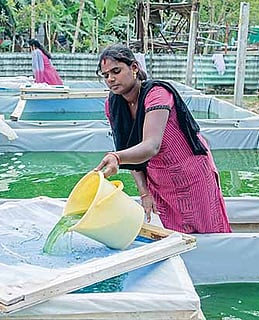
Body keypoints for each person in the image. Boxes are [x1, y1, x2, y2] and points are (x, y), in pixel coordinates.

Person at [94, 44, 231, 234]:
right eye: (105, 75)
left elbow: (151, 145)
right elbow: (129, 148)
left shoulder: (157, 94)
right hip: (159, 180)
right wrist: (144, 192)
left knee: (209, 230)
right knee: (175, 235)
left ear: (134, 68)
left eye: (116, 71)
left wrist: (116, 157)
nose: (110, 79)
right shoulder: (113, 105)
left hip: (192, 173)